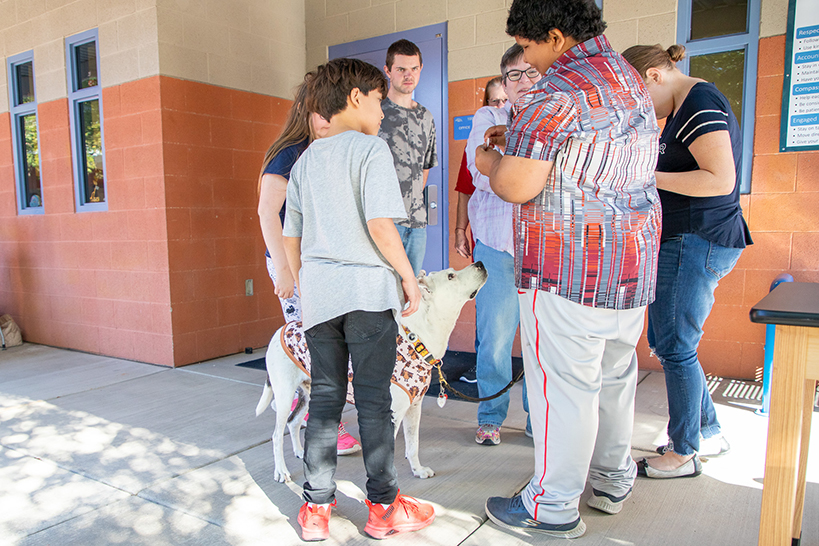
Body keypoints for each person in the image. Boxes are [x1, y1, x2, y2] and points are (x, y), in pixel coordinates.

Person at [475, 0, 661, 537]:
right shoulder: (625, 75)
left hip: (568, 266)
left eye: (528, 46)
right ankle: (610, 478)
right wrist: (520, 143)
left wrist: (491, 162)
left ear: (555, 36)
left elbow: (516, 184)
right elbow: (584, 150)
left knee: (564, 386)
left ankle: (551, 506)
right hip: (629, 263)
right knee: (615, 377)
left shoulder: (558, 85)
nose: (526, 61)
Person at [282, 57, 435, 542]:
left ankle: (316, 511)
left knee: (324, 400)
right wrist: (408, 278)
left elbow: (291, 239)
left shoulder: (305, 161)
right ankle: (384, 508)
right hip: (368, 294)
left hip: (321, 298)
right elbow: (380, 225)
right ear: (355, 99)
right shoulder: (371, 151)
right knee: (373, 402)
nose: (382, 107)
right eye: (377, 98)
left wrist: (305, 283)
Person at [622, 44, 752, 478]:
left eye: (638, 93)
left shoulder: (699, 102)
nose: (640, 107)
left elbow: (721, 180)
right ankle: (707, 430)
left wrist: (644, 175)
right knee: (668, 343)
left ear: (655, 75)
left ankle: (683, 452)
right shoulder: (682, 108)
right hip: (685, 239)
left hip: (697, 239)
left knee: (677, 349)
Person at [257, 79, 362, 457]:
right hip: (293, 266)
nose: (329, 119)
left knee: (328, 342)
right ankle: (318, 420)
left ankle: (306, 409)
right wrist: (285, 272)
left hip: (318, 265)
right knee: (315, 346)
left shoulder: (325, 150)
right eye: (322, 112)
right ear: (305, 112)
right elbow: (267, 211)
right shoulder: (289, 154)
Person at [461, 56, 537, 447]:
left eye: (531, 72)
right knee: (494, 336)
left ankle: (536, 417)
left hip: (543, 246)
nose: (523, 80)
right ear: (504, 83)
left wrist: (505, 169)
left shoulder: (554, 114)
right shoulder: (487, 117)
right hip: (496, 242)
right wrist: (526, 177)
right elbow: (479, 173)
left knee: (540, 341)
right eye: (513, 75)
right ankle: (491, 413)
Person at [378, 39, 438, 276]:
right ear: (388, 71)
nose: (408, 75)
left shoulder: (426, 117)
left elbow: (425, 167)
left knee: (412, 293)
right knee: (384, 293)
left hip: (417, 223)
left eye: (414, 68)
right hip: (385, 223)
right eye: (401, 69)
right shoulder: (377, 113)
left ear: (421, 69)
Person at [453, 76, 506, 260]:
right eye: (495, 101)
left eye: (505, 101)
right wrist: (460, 231)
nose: (501, 106)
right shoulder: (476, 146)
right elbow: (465, 190)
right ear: (486, 104)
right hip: (486, 233)